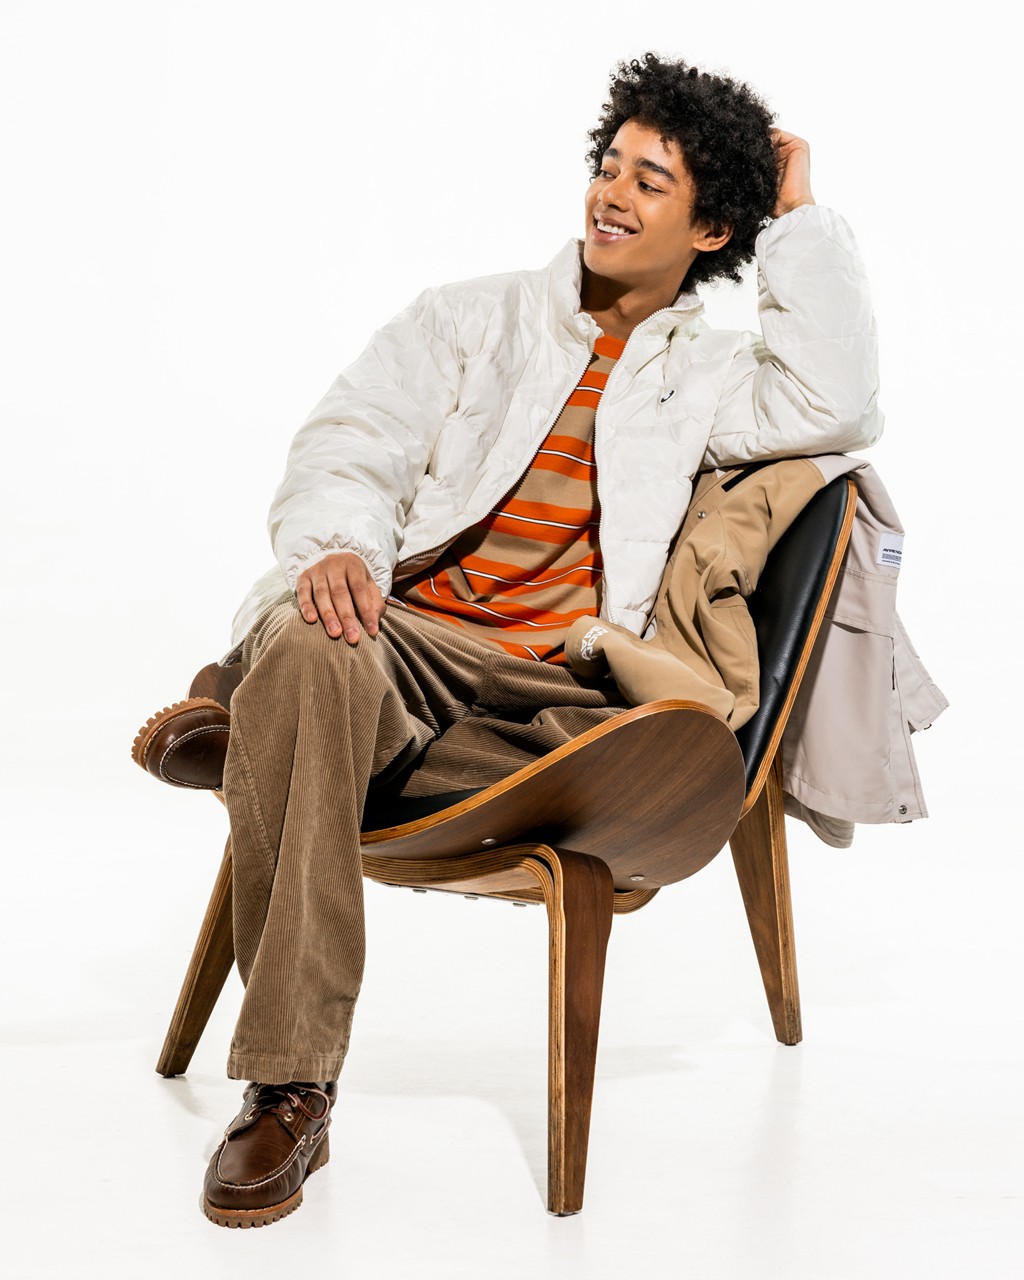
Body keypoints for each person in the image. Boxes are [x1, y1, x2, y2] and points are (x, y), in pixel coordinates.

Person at [136, 52, 883, 1227]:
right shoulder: (467, 318)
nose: (611, 194)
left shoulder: (709, 377)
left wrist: (796, 217)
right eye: (608, 165)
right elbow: (352, 439)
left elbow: (837, 399)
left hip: (536, 694)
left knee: (322, 711)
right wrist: (339, 547)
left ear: (710, 228)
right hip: (394, 636)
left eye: (650, 181)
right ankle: (291, 1084)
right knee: (316, 640)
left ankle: (259, 735)